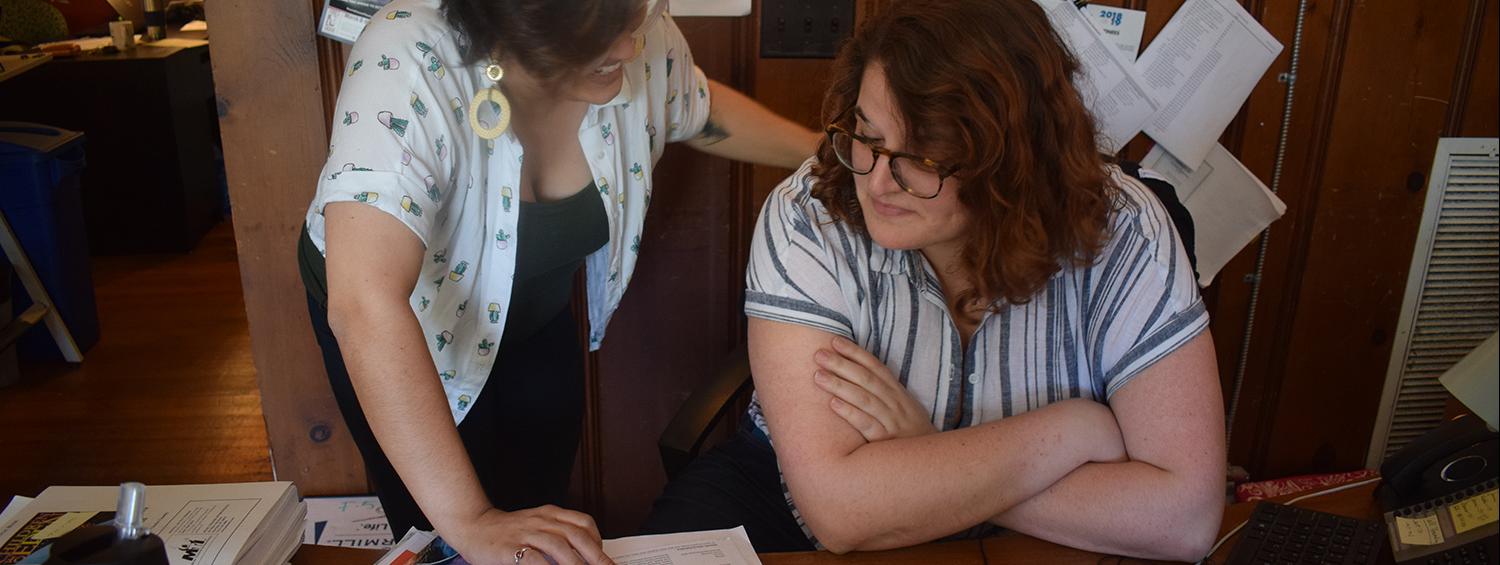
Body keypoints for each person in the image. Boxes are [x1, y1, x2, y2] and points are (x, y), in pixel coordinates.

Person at [641, 0, 1226, 560]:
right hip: (783, 503)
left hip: (1034, 543)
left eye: (923, 158)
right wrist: (1072, 434)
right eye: (868, 138)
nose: (876, 184)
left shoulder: (1125, 229)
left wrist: (922, 453)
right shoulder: (809, 210)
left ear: (1011, 161)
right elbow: (838, 511)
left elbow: (1186, 518)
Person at [296, 0, 819, 563]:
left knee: (538, 517)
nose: (628, 47)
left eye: (633, 20)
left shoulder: (634, 31)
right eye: (598, 34)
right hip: (403, 334)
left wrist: (826, 154)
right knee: (443, 538)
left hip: (535, 318)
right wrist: (471, 521)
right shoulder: (406, 53)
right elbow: (365, 305)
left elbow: (694, 102)